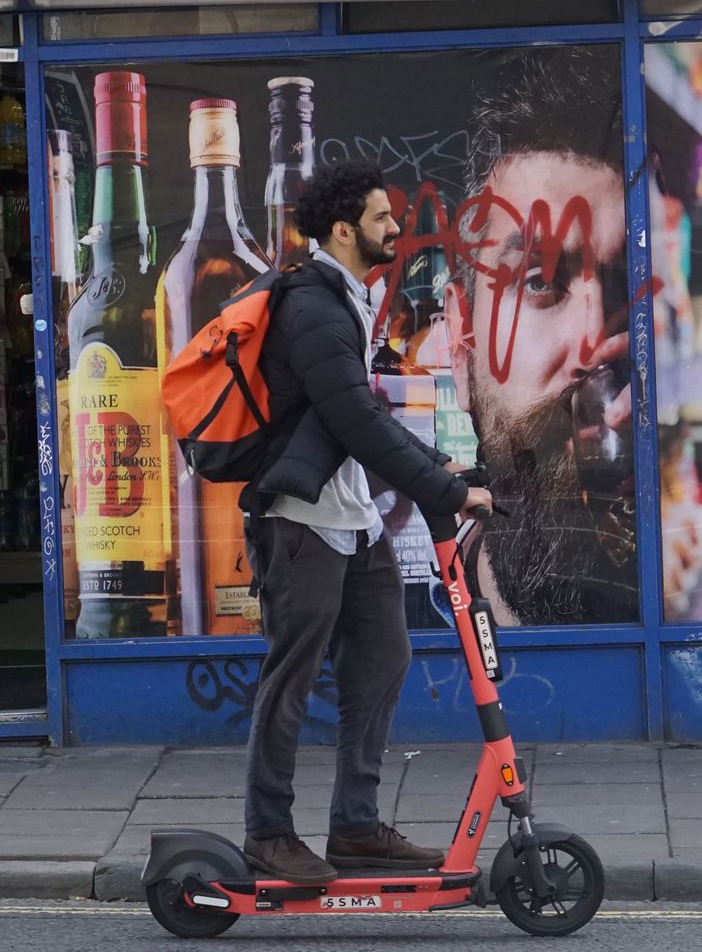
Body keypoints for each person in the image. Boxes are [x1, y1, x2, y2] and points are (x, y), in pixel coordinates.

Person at [239, 159, 494, 884]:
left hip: (350, 515)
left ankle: (354, 826)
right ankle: (268, 832)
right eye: (384, 217)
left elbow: (364, 412)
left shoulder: (347, 297)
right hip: (301, 520)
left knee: (384, 656)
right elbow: (352, 418)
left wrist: (439, 469)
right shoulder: (313, 305)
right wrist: (443, 492)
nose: (396, 227)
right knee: (291, 676)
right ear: (346, 228)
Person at [442, 51, 637, 625]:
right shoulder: (394, 637)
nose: (592, 345)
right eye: (541, 279)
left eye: (628, 286)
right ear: (462, 347)